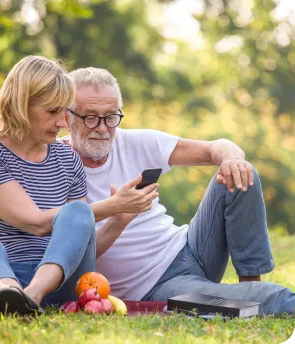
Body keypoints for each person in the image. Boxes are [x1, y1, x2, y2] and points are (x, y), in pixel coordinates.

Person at [61, 66, 295, 315]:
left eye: (110, 117)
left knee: (240, 172)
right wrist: (118, 215)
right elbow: (72, 257)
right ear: (67, 119)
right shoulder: (52, 165)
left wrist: (232, 158)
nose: (103, 127)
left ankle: (250, 285)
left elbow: (219, 147)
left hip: (192, 248)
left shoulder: (135, 141)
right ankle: (251, 299)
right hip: (159, 286)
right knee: (275, 298)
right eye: (90, 117)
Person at [0, 56, 158, 316]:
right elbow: (35, 222)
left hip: (55, 283)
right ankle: (8, 293)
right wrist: (111, 205)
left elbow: (82, 243)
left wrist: (119, 218)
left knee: (78, 213)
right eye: (52, 112)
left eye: (63, 112)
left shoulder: (67, 158)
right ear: (20, 105)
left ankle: (30, 296)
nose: (63, 123)